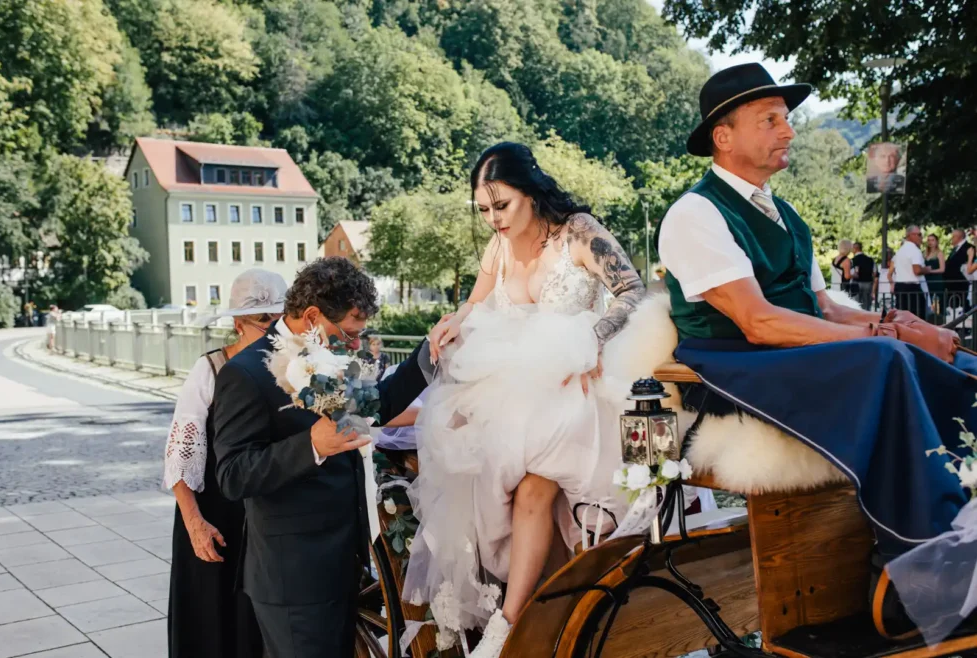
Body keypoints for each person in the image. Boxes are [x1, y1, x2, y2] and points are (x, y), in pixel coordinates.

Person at [657, 62, 971, 644]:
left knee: (960, 364)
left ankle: (966, 529)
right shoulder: (694, 213)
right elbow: (757, 322)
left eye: (786, 119)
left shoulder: (788, 216)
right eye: (770, 120)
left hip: (790, 351)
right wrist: (890, 338)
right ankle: (918, 576)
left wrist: (897, 320)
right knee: (888, 361)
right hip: (732, 367)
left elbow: (826, 311)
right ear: (723, 137)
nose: (789, 132)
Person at [403, 142, 646, 658]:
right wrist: (451, 325)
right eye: (485, 210)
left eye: (502, 205)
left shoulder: (578, 231)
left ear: (531, 193)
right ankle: (536, 610)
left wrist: (595, 338)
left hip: (575, 387)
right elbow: (473, 304)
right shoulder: (497, 248)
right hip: (513, 392)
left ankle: (512, 624)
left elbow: (632, 291)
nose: (493, 219)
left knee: (539, 491)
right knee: (512, 492)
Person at [212, 257, 435, 658]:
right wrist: (310, 445)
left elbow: (376, 406)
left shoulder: (329, 361)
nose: (354, 344)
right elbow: (233, 475)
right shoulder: (244, 374)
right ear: (312, 315)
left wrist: (432, 352)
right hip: (292, 577)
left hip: (341, 566)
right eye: (347, 333)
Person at [163, 269, 284, 658]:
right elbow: (179, 456)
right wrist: (195, 523)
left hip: (266, 516)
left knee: (258, 624)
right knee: (210, 619)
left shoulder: (290, 368)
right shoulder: (210, 369)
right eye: (262, 319)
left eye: (279, 317)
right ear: (237, 324)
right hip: (214, 514)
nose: (272, 328)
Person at [891, 226, 931, 319]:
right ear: (911, 235)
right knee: (917, 318)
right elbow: (917, 270)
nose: (921, 237)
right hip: (912, 288)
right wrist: (927, 269)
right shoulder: (914, 250)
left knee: (902, 318)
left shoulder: (900, 251)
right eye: (919, 234)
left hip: (900, 287)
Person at [944, 228, 975, 311]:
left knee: (963, 309)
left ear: (959, 237)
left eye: (953, 236)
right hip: (951, 286)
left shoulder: (969, 248)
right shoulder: (955, 249)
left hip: (962, 285)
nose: (951, 238)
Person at [924, 234, 946, 321]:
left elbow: (942, 269)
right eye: (929, 240)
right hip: (927, 280)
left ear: (936, 241)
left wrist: (930, 271)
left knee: (937, 300)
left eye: (932, 240)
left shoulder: (939, 253)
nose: (930, 242)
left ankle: (939, 319)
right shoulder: (925, 253)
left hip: (936, 279)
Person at [850, 242, 876, 311]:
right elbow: (874, 273)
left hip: (856, 283)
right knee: (867, 304)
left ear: (855, 249)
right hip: (868, 283)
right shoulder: (870, 260)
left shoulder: (853, 260)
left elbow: (851, 273)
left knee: (856, 303)